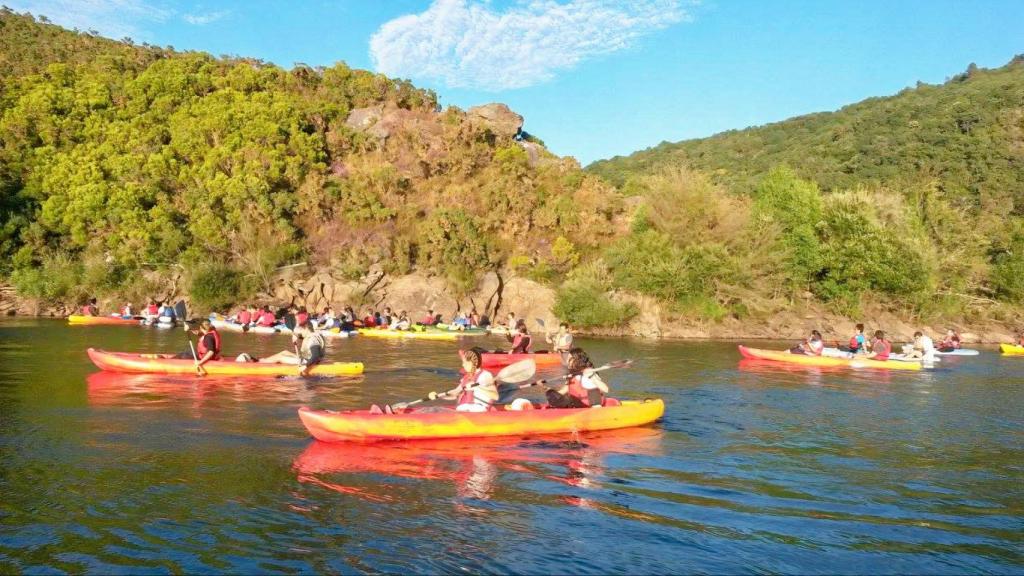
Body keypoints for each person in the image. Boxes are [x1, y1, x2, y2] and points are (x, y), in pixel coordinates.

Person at [430, 348, 499, 412]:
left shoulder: (485, 375)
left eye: (465, 362)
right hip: (464, 409)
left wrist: (477, 388)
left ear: (474, 363)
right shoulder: (466, 377)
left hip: (478, 410)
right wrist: (438, 396)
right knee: (433, 410)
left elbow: (495, 396)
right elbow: (454, 393)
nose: (463, 365)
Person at [258, 321, 327, 376]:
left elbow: (316, 356)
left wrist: (304, 367)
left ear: (306, 328)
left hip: (308, 362)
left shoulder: (313, 339)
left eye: (301, 330)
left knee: (281, 357)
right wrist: (296, 338)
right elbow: (305, 339)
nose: (300, 333)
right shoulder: (312, 334)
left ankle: (259, 364)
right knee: (284, 352)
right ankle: (263, 361)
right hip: (306, 359)